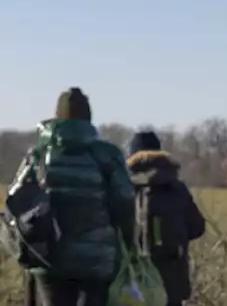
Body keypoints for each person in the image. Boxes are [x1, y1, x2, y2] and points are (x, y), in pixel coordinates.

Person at [10, 88, 135, 306]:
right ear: (88, 118)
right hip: (96, 257)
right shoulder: (107, 154)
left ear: (57, 116)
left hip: (48, 256)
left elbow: (14, 199)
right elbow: (125, 201)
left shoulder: (38, 153)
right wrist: (127, 242)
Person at [125, 130, 207, 306]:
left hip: (134, 281)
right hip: (173, 282)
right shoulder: (178, 189)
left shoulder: (125, 188)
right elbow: (198, 227)